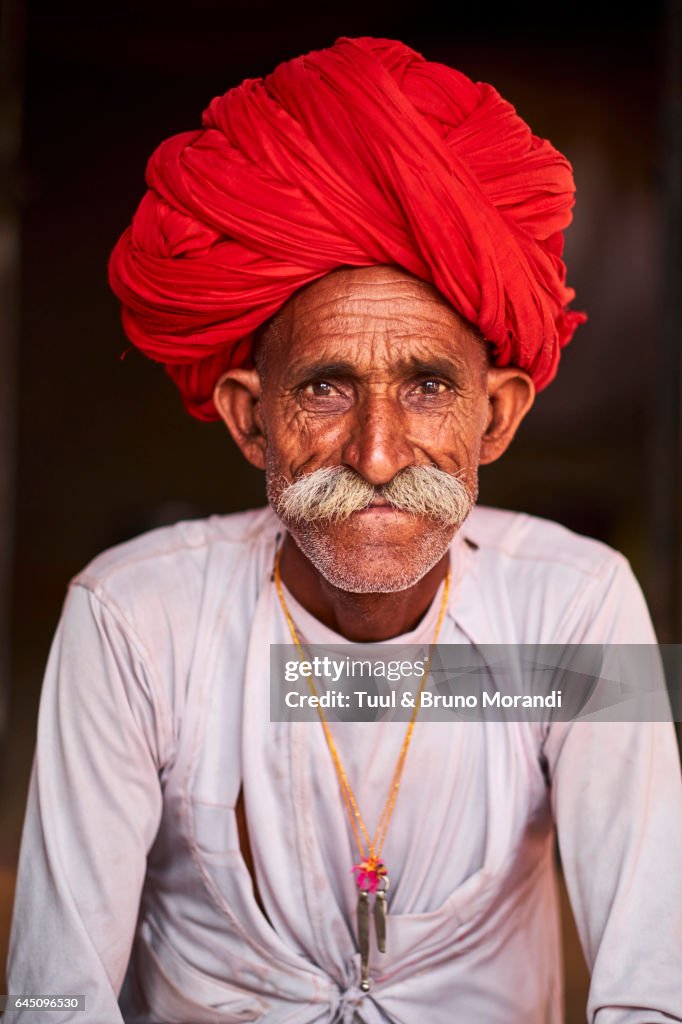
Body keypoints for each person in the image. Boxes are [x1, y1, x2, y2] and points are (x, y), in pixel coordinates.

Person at [7, 36, 682, 1024]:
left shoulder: (579, 605)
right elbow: (53, 1000)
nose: (374, 454)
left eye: (426, 386)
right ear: (249, 416)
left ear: (494, 416)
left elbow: (653, 991)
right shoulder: (129, 617)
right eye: (325, 387)